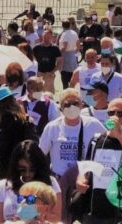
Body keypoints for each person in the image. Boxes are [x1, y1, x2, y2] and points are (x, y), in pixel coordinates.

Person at [38, 88, 107, 222]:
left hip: (85, 181)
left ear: (81, 104)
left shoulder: (92, 124)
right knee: (60, 218)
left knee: (87, 217)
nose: (71, 107)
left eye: (75, 103)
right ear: (61, 107)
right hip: (60, 181)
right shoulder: (52, 127)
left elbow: (106, 145)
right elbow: (40, 154)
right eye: (67, 104)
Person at [74, 98, 122, 224]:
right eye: (111, 113)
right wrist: (81, 179)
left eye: (121, 114)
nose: (115, 117)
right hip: (96, 210)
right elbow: (86, 165)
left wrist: (120, 137)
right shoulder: (96, 140)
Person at [0, 140, 62, 224]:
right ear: (15, 167)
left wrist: (37, 216)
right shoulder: (2, 186)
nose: (27, 174)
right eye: (22, 169)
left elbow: (56, 217)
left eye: (32, 169)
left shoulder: (50, 183)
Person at [0, 86, 37, 180]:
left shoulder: (7, 118)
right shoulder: (22, 116)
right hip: (23, 158)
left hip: (10, 161)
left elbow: (4, 144)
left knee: (2, 189)